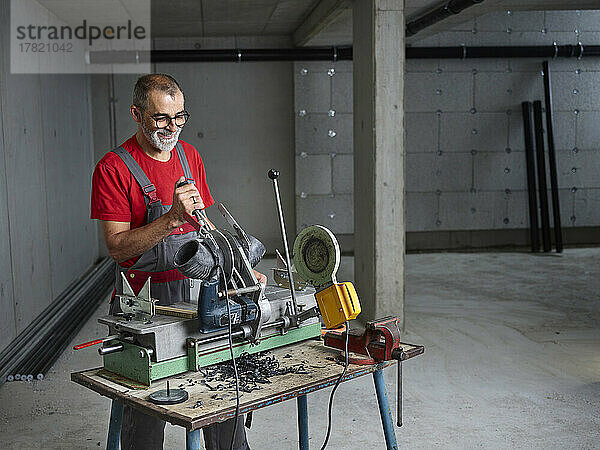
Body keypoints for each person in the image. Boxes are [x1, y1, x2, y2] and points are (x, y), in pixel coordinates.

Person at [91, 73, 264, 450]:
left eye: (180, 116)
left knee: (222, 393)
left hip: (198, 289)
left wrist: (238, 268)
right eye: (161, 118)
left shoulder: (190, 156)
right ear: (136, 113)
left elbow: (205, 227)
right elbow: (118, 248)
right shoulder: (113, 169)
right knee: (147, 412)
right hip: (145, 303)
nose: (173, 127)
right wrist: (170, 218)